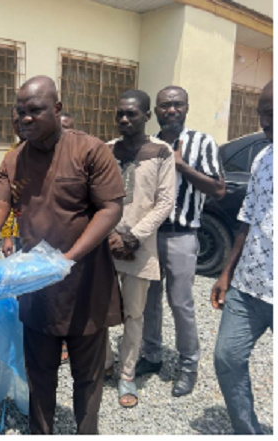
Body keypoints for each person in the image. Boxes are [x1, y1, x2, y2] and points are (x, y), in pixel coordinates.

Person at [0, 76, 125, 434]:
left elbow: (110, 209)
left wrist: (68, 257)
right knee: (39, 373)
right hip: (37, 286)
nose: (25, 119)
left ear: (57, 109)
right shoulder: (14, 159)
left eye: (34, 111)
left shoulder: (90, 150)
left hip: (85, 282)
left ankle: (87, 431)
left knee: (88, 375)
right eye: (20, 112)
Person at [136, 86, 225, 397]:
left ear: (186, 107)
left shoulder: (203, 143)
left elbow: (218, 189)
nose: (170, 110)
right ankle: (151, 355)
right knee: (149, 300)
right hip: (149, 237)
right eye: (164, 106)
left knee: (181, 303)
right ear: (156, 111)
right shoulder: (148, 145)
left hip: (182, 235)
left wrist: (182, 166)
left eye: (176, 105)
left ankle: (189, 365)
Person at [105, 90, 175, 408]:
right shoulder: (106, 150)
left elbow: (164, 203)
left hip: (140, 247)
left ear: (147, 116)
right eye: (120, 113)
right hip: (105, 245)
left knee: (134, 314)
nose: (124, 119)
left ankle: (127, 374)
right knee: (99, 309)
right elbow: (96, 197)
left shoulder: (161, 152)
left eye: (131, 114)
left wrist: (133, 236)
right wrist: (108, 235)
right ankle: (104, 363)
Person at [211, 80, 273, 434]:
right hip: (249, 286)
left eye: (271, 114)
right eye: (261, 113)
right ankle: (247, 431)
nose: (264, 122)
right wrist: (226, 273)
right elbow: (247, 218)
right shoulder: (263, 157)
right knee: (227, 358)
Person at [1, 108, 24, 258]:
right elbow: (8, 198)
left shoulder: (52, 152)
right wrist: (7, 236)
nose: (21, 124)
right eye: (16, 121)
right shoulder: (11, 156)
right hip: (22, 231)